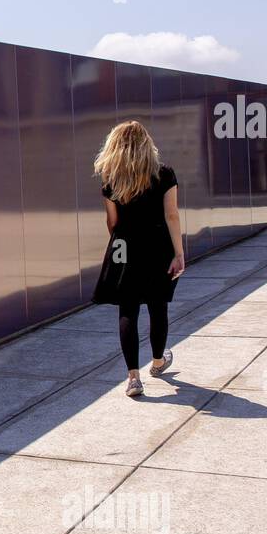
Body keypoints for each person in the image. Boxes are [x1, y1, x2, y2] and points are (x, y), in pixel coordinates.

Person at [91, 121, 185, 397]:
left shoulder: (111, 178)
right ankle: (157, 362)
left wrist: (121, 243)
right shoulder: (164, 174)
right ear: (147, 145)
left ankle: (133, 377)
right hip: (158, 245)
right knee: (158, 306)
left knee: (127, 310)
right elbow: (172, 215)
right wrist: (178, 252)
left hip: (123, 247)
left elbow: (112, 221)